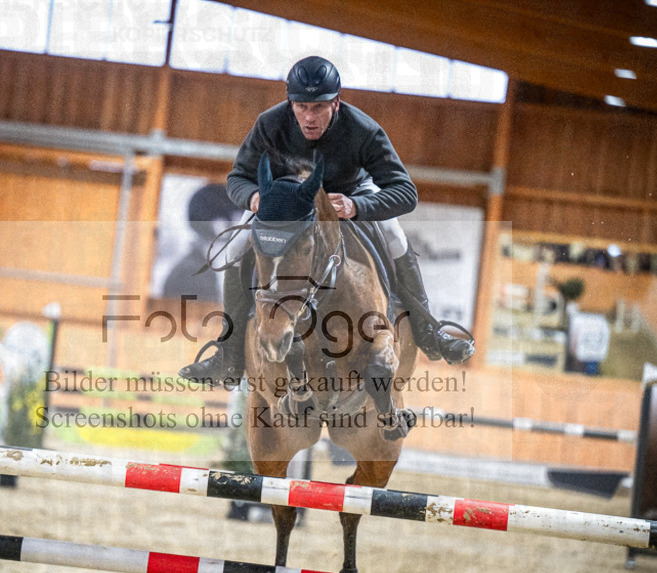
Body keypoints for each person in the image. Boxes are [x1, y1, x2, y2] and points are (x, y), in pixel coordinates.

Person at [180, 55, 474, 386]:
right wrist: (252, 197)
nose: (308, 116)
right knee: (232, 250)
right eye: (301, 106)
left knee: (396, 237)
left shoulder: (363, 130)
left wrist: (356, 205)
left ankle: (430, 333)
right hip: (285, 203)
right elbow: (238, 178)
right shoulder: (270, 123)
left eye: (318, 107)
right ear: (290, 102)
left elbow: (406, 192)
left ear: (336, 102)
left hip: (346, 198)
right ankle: (229, 356)